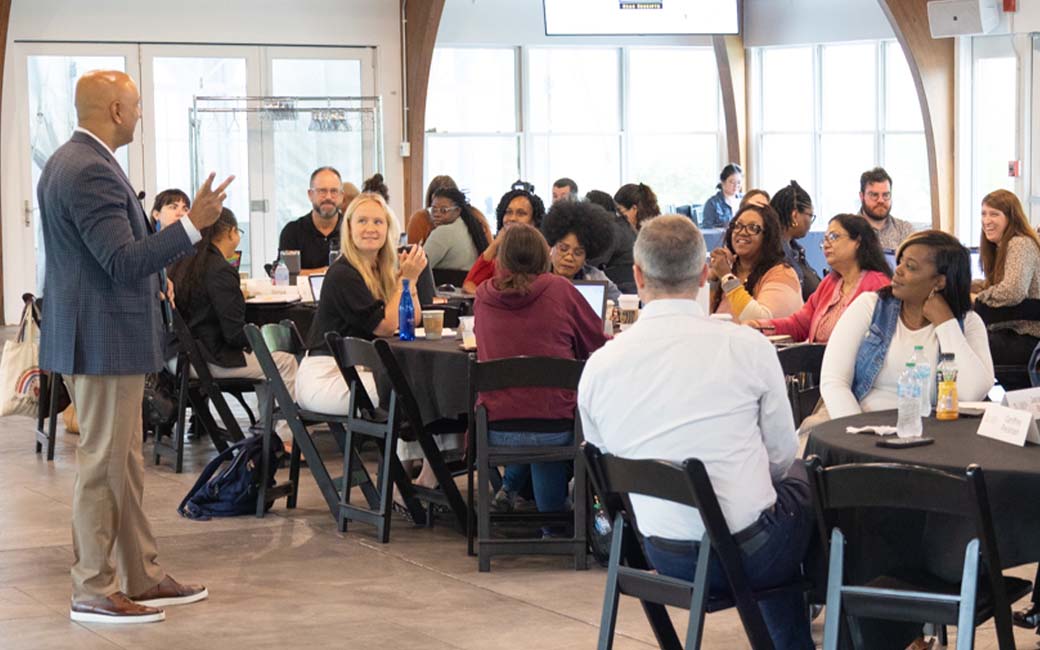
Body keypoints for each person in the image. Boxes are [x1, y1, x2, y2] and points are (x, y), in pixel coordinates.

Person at [38, 70, 231, 624]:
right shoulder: (88, 169)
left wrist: (158, 274)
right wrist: (191, 226)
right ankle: (93, 588)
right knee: (103, 465)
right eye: (137, 106)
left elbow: (110, 257)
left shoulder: (73, 162)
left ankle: (140, 575)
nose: (141, 115)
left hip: (103, 333)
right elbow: (121, 261)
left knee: (123, 463)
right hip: (102, 339)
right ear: (117, 111)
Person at [577, 216, 814, 650]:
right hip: (751, 554)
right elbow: (780, 458)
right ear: (706, 273)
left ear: (636, 274)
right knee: (808, 476)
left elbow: (602, 457)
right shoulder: (747, 347)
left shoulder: (600, 365)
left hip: (662, 554)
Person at [474, 223, 609, 517]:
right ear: (544, 256)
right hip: (556, 426)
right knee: (543, 408)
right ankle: (553, 520)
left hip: (496, 429)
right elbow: (597, 343)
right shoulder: (560, 288)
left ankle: (510, 488)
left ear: (501, 259)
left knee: (524, 405)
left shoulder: (483, 296)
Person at [820, 231, 994, 420]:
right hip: (859, 422)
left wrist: (946, 324)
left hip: (931, 435)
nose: (898, 270)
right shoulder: (870, 307)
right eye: (900, 261)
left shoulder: (968, 323)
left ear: (939, 281)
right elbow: (834, 381)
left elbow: (973, 392)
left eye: (910, 266)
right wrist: (856, 432)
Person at [168, 207, 298, 447]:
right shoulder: (220, 270)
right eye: (239, 232)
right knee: (284, 362)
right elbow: (234, 334)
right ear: (230, 232)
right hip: (205, 360)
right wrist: (261, 338)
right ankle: (284, 439)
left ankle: (266, 431)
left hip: (177, 357)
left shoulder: (183, 261)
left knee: (267, 362)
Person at [297, 192, 425, 415]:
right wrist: (405, 281)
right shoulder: (343, 274)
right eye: (362, 221)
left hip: (359, 371)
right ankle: (416, 451)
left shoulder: (380, 271)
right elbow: (385, 327)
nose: (370, 228)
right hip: (327, 375)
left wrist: (409, 285)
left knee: (421, 386)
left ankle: (427, 450)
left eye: (378, 222)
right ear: (349, 228)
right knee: (412, 391)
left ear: (387, 229)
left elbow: (411, 322)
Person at [746, 214, 892, 343]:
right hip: (819, 368)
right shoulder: (830, 282)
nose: (826, 244)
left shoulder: (878, 283)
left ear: (858, 242)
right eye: (825, 239)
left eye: (834, 237)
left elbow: (881, 339)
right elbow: (799, 324)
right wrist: (758, 326)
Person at [974, 189, 1040, 390]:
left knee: (963, 349)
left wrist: (977, 298)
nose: (987, 220)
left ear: (1011, 218)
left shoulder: (1019, 243)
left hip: (1028, 337)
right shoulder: (1001, 247)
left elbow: (1013, 291)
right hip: (1013, 333)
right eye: (984, 213)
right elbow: (997, 286)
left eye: (994, 214)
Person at [709, 204, 803, 322]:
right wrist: (713, 279)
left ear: (768, 236)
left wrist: (726, 277)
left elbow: (760, 321)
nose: (742, 232)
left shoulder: (782, 274)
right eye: (738, 226)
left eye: (753, 228)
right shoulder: (731, 269)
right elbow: (702, 318)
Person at [462, 186, 546, 294]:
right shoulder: (500, 257)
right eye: (508, 212)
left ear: (534, 221)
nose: (512, 218)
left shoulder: (541, 254)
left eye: (521, 213)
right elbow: (469, 284)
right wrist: (496, 243)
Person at [541, 199, 621, 302]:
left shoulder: (594, 278)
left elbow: (621, 301)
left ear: (586, 256)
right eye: (563, 249)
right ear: (552, 246)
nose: (569, 257)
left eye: (578, 253)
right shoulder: (537, 274)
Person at [278, 166, 343, 272]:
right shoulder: (292, 232)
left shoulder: (353, 230)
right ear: (310, 195)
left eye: (334, 191)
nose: (328, 197)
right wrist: (327, 272)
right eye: (322, 191)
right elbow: (287, 275)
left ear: (342, 195)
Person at [407, 175, 493, 246]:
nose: (438, 214)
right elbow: (412, 257)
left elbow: (490, 252)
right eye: (434, 208)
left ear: (457, 208)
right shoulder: (420, 218)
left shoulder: (474, 217)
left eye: (444, 209)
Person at [771, 181, 821, 301]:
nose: (810, 222)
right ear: (794, 215)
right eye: (810, 215)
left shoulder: (794, 249)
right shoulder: (778, 255)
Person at [422, 187, 489, 271]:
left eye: (443, 210)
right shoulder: (468, 226)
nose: (436, 214)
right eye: (434, 210)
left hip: (444, 282)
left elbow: (418, 266)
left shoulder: (443, 232)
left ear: (457, 210)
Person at [586, 189, 636, 293]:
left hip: (622, 286)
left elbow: (597, 260)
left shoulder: (612, 229)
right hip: (629, 282)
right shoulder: (621, 224)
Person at [859, 166, 915, 251]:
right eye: (874, 195)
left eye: (886, 195)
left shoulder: (905, 230)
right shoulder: (847, 231)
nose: (881, 200)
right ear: (862, 196)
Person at [701, 163, 743, 229]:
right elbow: (707, 229)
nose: (736, 186)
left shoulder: (745, 200)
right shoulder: (712, 203)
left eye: (738, 182)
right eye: (732, 182)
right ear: (723, 182)